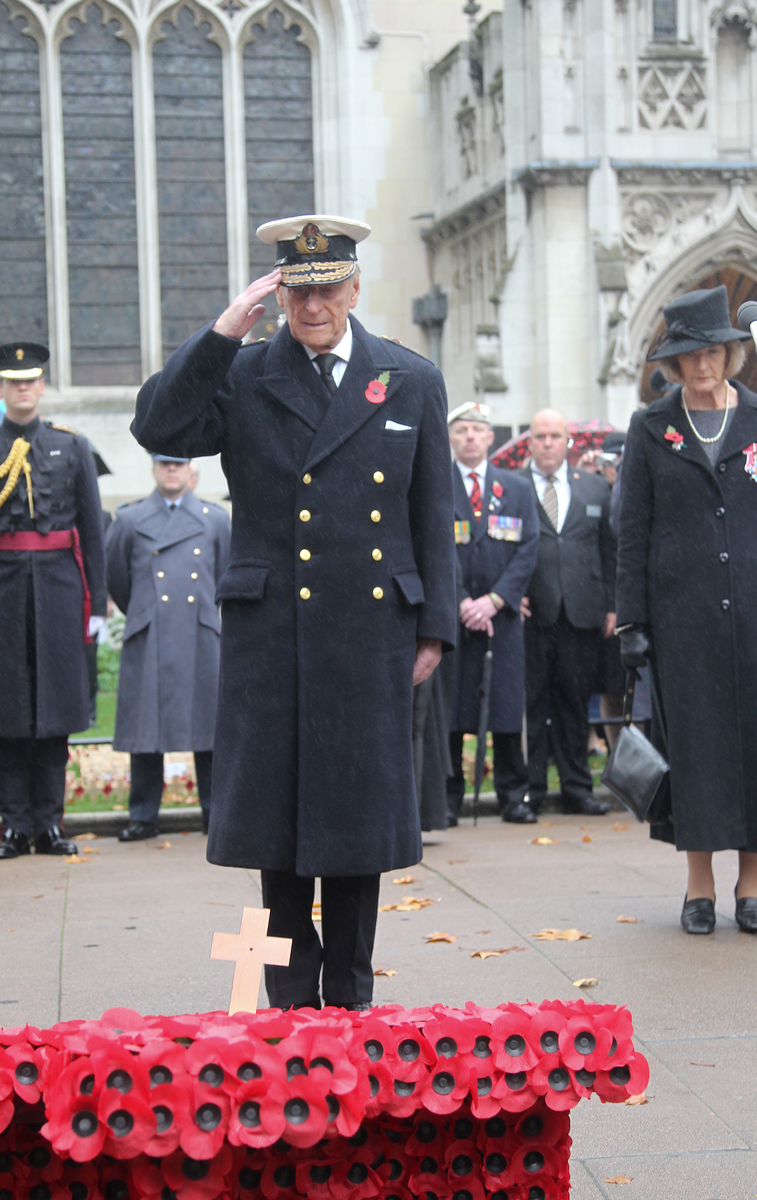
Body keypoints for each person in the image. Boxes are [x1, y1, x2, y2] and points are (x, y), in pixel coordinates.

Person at [132, 214, 455, 1010]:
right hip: (272, 631)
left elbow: (430, 510)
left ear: (353, 288)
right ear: (278, 299)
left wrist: (435, 626)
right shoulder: (242, 375)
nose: (312, 308)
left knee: (357, 823)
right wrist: (220, 333)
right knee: (274, 830)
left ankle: (349, 995)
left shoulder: (407, 378)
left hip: (371, 631)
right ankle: (286, 999)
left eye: (326, 290)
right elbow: (159, 425)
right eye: (296, 293)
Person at [617, 284, 757, 935]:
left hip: (754, 615)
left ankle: (751, 883)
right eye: (690, 358)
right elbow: (634, 529)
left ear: (731, 354)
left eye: (714, 354)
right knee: (696, 750)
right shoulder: (651, 428)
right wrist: (633, 622)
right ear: (673, 363)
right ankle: (699, 884)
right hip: (684, 617)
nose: (703, 368)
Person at [0, 343, 106, 859]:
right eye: (12, 381)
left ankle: (50, 825)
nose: (23, 389)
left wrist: (99, 606)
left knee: (54, 713)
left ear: (41, 387)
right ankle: (15, 826)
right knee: (6, 714)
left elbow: (91, 532)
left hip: (59, 588)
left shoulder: (74, 447)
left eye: (31, 381)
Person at [105, 453, 231, 840]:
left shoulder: (216, 520)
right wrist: (144, 612)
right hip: (150, 630)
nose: (171, 470)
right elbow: (116, 576)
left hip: (200, 631)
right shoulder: (128, 519)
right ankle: (143, 815)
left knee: (209, 727)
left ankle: (216, 813)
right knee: (146, 730)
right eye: (164, 463)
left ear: (191, 469)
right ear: (153, 468)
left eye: (178, 463)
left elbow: (225, 574)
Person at [447, 402, 539, 824]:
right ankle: (448, 798)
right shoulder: (435, 485)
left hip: (501, 619)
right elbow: (435, 548)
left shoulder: (516, 488)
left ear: (490, 437)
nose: (470, 437)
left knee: (504, 708)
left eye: (477, 430)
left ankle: (513, 795)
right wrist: (463, 600)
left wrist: (495, 600)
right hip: (454, 619)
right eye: (462, 429)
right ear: (451, 437)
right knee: (453, 711)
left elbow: (528, 548)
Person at [522, 409, 615, 816]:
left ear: (567, 442)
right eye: (540, 436)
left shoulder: (595, 488)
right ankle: (531, 790)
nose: (548, 443)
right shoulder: (511, 487)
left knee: (575, 704)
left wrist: (613, 605)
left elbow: (610, 550)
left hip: (582, 612)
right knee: (533, 704)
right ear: (530, 441)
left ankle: (578, 788)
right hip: (530, 613)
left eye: (555, 436)